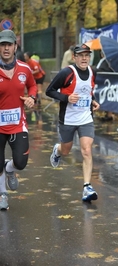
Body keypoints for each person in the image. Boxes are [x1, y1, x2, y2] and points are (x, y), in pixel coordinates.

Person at [46, 43, 100, 202]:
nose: (84, 58)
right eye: (81, 55)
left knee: (86, 150)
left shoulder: (92, 71)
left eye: (87, 55)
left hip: (86, 118)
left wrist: (93, 101)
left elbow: (88, 91)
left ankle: (87, 187)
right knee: (66, 151)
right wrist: (66, 98)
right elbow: (49, 90)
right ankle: (57, 150)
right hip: (68, 119)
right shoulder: (66, 73)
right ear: (74, 57)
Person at [0, 29, 37, 210]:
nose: (6, 48)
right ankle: (2, 195)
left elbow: (32, 85)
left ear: (15, 47)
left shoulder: (24, 68)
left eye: (9, 44)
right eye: (2, 45)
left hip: (18, 124)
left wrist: (32, 98)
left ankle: (10, 170)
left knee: (21, 163)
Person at [96, 51, 114, 121]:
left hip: (107, 83)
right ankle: (106, 114)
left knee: (108, 98)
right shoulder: (102, 61)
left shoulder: (107, 61)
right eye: (100, 52)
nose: (101, 54)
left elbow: (104, 70)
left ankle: (109, 115)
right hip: (101, 83)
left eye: (103, 52)